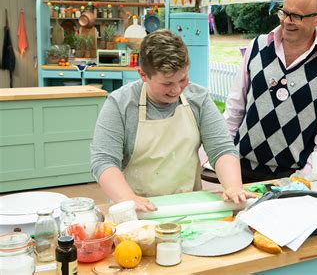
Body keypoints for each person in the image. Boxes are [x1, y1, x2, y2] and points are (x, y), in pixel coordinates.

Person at [91, 29, 253, 211]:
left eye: (183, 79)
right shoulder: (120, 104)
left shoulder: (198, 98)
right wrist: (128, 199)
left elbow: (221, 149)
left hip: (189, 205)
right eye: (167, 83)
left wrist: (233, 186)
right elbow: (104, 161)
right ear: (143, 74)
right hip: (138, 211)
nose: (177, 90)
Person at [224, 0, 317, 183]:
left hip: (291, 176)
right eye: (284, 12)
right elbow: (235, 108)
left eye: (296, 16)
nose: (287, 21)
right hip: (240, 168)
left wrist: (305, 178)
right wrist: (225, 157)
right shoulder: (257, 47)